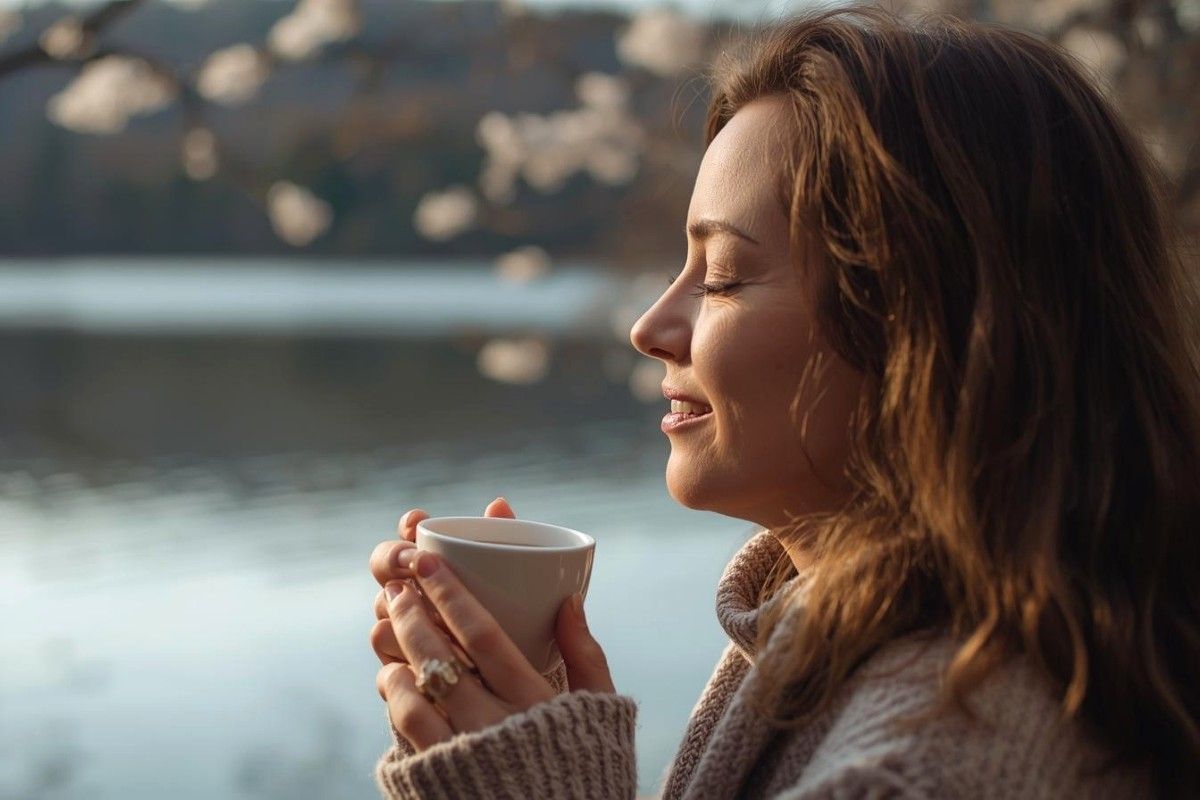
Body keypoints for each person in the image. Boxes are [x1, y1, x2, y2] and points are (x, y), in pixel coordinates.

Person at [365, 5, 1200, 798]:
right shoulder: (853, 647)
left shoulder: (931, 764)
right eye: (681, 270)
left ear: (923, 320)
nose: (651, 326)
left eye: (722, 275)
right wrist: (528, 735)